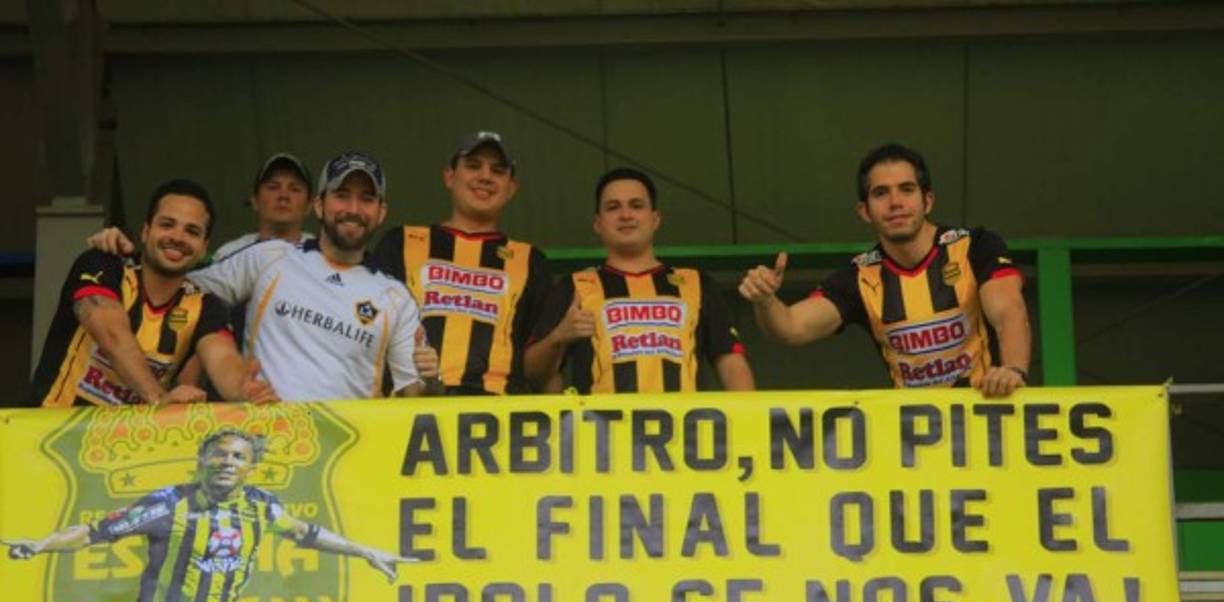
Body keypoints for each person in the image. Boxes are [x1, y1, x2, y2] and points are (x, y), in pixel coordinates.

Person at [3, 429, 412, 602]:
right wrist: (40, 545)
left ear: (251, 467)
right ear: (202, 459)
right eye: (219, 453)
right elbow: (93, 534)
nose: (227, 462)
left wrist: (365, 551)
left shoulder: (261, 507)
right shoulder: (167, 505)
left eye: (238, 456)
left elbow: (306, 533)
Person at [88, 152, 437, 401]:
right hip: (264, 443)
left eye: (367, 199)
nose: (353, 209)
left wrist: (431, 380)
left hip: (344, 454)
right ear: (319, 205)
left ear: (381, 212)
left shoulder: (396, 297)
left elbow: (414, 396)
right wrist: (126, 254)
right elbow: (179, 287)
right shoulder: (270, 256)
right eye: (342, 196)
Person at [738, 143, 1031, 396]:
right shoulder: (859, 276)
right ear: (865, 211)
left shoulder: (975, 246)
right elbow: (791, 327)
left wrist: (1013, 370)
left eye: (907, 189)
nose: (895, 202)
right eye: (880, 193)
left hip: (989, 417)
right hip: (915, 432)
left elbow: (1008, 311)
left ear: (927, 201)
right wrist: (766, 301)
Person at [29, 179, 273, 407]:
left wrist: (242, 388)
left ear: (203, 247)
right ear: (145, 232)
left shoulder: (205, 306)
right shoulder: (102, 264)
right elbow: (112, 334)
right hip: (49, 430)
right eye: (167, 224)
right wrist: (158, 397)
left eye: (192, 231)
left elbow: (222, 359)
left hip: (126, 439)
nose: (177, 237)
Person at [525, 167, 754, 393]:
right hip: (600, 418)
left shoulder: (697, 283)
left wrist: (748, 416)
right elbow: (531, 374)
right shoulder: (575, 287)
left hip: (683, 418)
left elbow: (732, 366)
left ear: (655, 219)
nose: (626, 215)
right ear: (598, 224)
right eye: (613, 207)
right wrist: (557, 337)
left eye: (636, 205)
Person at [369, 131, 551, 395]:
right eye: (473, 166)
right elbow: (367, 332)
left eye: (498, 170)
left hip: (498, 411)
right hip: (411, 405)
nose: (485, 176)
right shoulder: (401, 242)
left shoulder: (531, 261)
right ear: (449, 176)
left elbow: (542, 369)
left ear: (511, 188)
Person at [212, 152, 315, 261]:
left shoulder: (323, 256)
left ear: (309, 205)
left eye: (295, 189)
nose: (283, 195)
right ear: (255, 201)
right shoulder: (229, 255)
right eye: (273, 187)